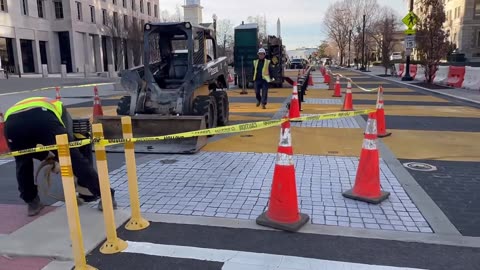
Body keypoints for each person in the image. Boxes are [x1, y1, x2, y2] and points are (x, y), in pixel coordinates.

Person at [4, 97, 116, 216]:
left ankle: (32, 203)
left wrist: (48, 157)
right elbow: (68, 139)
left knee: (22, 163)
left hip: (12, 124)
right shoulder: (58, 106)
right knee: (74, 159)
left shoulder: (18, 106)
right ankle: (106, 196)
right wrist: (60, 159)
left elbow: (31, 149)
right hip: (43, 118)